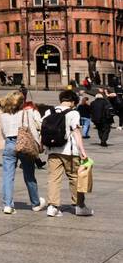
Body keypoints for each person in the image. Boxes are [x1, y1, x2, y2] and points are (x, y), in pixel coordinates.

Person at [44, 89, 92, 217]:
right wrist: (83, 151)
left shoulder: (49, 111)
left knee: (53, 179)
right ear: (72, 102)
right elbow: (76, 132)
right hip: (70, 151)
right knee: (75, 178)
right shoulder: (73, 113)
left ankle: (52, 206)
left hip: (53, 150)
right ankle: (79, 206)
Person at [0, 92, 46, 214]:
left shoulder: (3, 115)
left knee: (7, 176)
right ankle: (35, 203)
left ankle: (7, 205)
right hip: (24, 144)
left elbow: (3, 132)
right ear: (21, 102)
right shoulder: (26, 113)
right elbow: (32, 131)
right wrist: (38, 145)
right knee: (29, 174)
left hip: (9, 143)